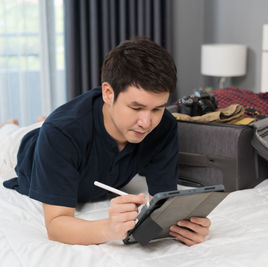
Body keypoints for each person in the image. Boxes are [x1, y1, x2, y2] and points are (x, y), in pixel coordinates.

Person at [1, 38, 211, 246]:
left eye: (157, 108)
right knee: (9, 136)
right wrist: (108, 229)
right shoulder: (60, 132)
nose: (147, 122)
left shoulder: (163, 125)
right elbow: (56, 226)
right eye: (136, 108)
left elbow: (164, 201)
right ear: (108, 93)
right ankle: (9, 125)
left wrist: (184, 226)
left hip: (62, 131)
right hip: (25, 148)